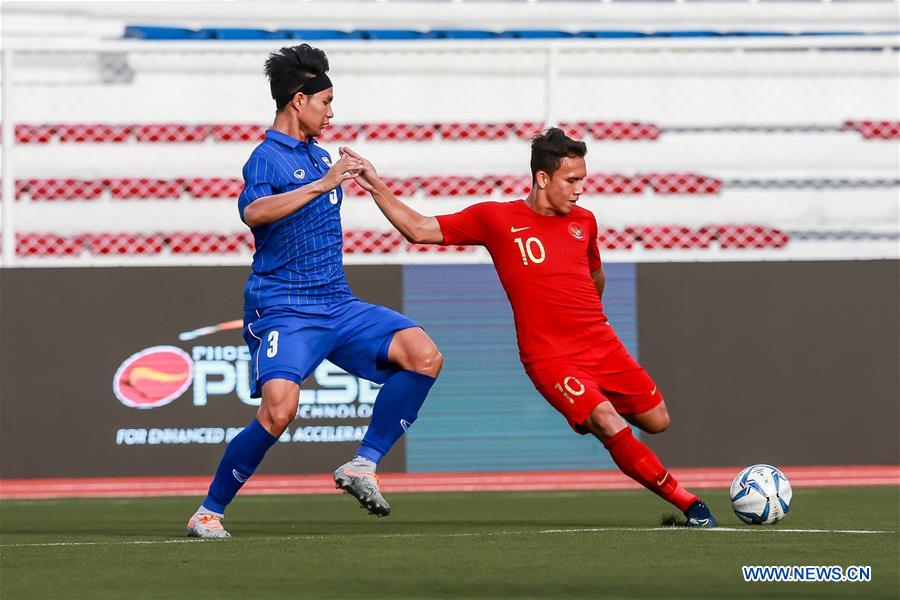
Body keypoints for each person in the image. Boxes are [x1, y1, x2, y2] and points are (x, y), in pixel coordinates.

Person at [341, 128, 717, 527]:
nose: (580, 190)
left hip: (601, 343)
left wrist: (586, 317)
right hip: (550, 358)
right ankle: (691, 505)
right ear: (542, 178)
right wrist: (375, 185)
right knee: (608, 422)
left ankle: (590, 408)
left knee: (657, 421)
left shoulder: (584, 222)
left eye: (582, 180)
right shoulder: (496, 219)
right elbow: (418, 229)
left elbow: (595, 275)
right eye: (571, 180)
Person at [186, 44, 443, 538]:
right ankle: (208, 512)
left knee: (423, 355)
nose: (331, 113)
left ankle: (362, 465)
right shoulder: (265, 158)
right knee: (279, 411)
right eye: (326, 102)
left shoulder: (319, 154)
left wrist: (360, 180)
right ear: (298, 100)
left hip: (337, 303)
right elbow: (254, 213)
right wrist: (322, 183)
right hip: (284, 307)